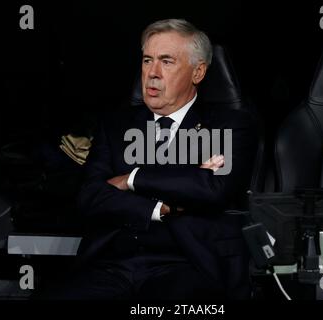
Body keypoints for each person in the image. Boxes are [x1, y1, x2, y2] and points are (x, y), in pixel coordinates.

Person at [44, 18, 258, 300]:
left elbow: (211, 190)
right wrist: (164, 206)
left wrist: (132, 179)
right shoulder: (115, 127)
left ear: (198, 72)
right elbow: (90, 196)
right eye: (147, 61)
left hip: (187, 264)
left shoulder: (229, 125)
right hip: (112, 263)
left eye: (167, 62)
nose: (152, 74)